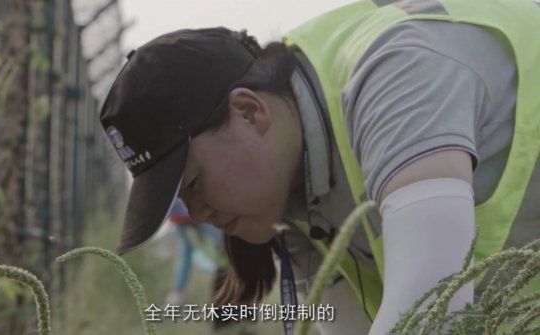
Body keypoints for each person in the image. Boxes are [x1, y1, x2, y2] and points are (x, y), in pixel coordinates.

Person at [98, 0, 540, 333]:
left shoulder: (397, 77)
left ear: (250, 112)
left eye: (192, 183)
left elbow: (431, 309)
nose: (197, 214)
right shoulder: (295, 194)